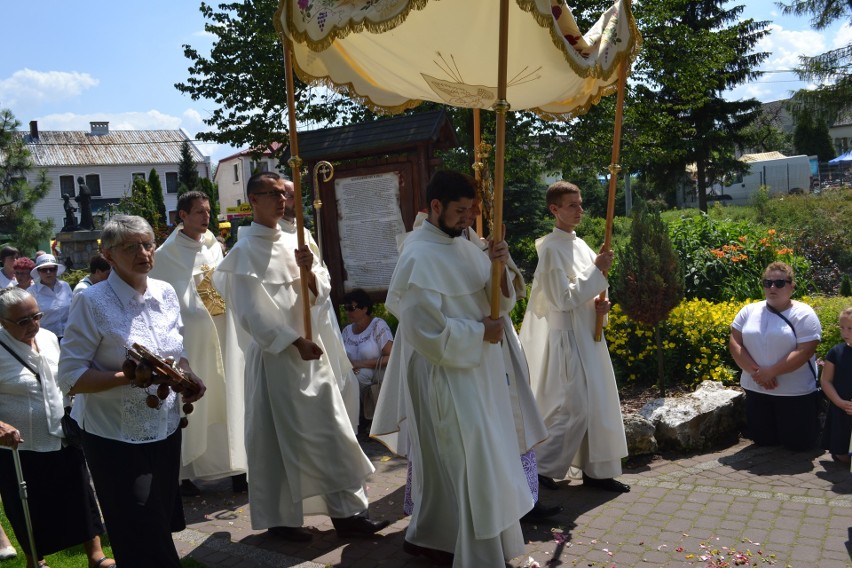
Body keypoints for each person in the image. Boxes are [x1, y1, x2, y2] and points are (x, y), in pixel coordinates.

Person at [213, 172, 388, 542]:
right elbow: (250, 313)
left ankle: (348, 513)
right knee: (277, 442)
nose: (281, 200)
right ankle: (281, 519)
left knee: (333, 432)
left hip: (313, 356)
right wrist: (292, 341)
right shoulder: (243, 254)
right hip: (278, 359)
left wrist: (308, 273)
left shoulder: (300, 238)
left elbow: (322, 291)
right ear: (253, 200)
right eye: (272, 194)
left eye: (284, 194)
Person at [373, 170, 532, 566]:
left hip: (479, 370)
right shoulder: (418, 255)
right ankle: (475, 553)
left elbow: (503, 305)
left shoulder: (466, 246)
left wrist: (499, 267)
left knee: (476, 459)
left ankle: (432, 535)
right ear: (436, 207)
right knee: (467, 461)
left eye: (471, 211)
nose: (467, 219)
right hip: (444, 372)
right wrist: (480, 331)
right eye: (460, 211)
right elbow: (424, 331)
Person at [57, 215, 206, 568]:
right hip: (114, 434)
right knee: (139, 526)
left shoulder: (166, 293)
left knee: (155, 524)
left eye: (147, 244)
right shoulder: (91, 302)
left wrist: (187, 375)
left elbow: (176, 351)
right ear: (108, 255)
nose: (143, 252)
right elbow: (71, 377)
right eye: (130, 247)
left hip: (165, 429)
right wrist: (129, 378)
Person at [519, 181, 630, 493]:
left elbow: (587, 290)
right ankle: (540, 468)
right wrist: (596, 272)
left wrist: (600, 306)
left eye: (580, 204)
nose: (580, 210)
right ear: (555, 209)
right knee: (573, 406)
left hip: (588, 335)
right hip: (568, 337)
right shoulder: (551, 250)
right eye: (572, 205)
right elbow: (560, 300)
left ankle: (598, 471)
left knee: (598, 403)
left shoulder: (580, 245)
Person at [0, 288, 114, 568]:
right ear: (2, 321)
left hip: (63, 433)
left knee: (80, 493)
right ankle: (35, 560)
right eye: (23, 321)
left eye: (36, 316)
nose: (33, 325)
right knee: (27, 504)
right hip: (20, 445)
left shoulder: (49, 338)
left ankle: (96, 556)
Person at [150, 191, 247, 496]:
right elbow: (163, 301)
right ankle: (187, 474)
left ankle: (237, 469)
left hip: (223, 332)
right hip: (193, 341)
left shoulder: (214, 247)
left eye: (208, 211)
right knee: (195, 401)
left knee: (230, 397)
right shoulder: (166, 256)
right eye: (199, 213)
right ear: (182, 216)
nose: (207, 217)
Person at [729, 261, 822, 451]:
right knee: (763, 440)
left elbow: (806, 350)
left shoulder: (804, 314)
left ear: (791, 286)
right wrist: (758, 373)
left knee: (797, 445)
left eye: (779, 283)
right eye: (767, 283)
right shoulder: (749, 310)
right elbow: (734, 342)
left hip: (794, 393)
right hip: (757, 388)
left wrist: (771, 372)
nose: (772, 287)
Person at [340, 288, 393, 431]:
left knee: (355, 379)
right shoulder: (347, 331)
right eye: (345, 308)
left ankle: (366, 418)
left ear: (364, 308)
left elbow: (391, 357)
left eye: (351, 308)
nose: (347, 312)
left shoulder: (377, 325)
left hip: (378, 372)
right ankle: (355, 419)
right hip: (353, 371)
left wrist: (360, 364)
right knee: (344, 379)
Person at [821, 307, 852, 464]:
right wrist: (839, 402)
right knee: (843, 455)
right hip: (842, 408)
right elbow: (826, 381)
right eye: (842, 328)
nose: (845, 333)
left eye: (850, 329)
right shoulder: (836, 352)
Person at [28, 255, 72, 340]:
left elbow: (73, 309)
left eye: (52, 269)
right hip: (46, 339)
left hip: (69, 336)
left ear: (56, 270)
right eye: (44, 270)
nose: (48, 272)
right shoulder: (31, 292)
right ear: (38, 272)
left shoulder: (65, 286)